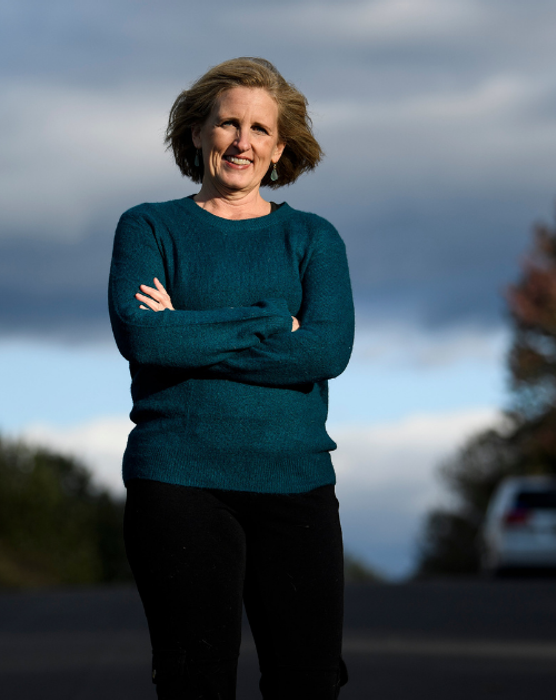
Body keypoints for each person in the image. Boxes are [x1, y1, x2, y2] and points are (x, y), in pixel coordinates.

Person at [107, 57, 354, 698]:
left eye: (259, 130)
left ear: (279, 148)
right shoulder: (149, 227)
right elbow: (142, 335)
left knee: (310, 681)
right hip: (178, 482)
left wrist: (188, 329)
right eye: (227, 124)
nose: (242, 142)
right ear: (197, 133)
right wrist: (274, 320)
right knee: (195, 681)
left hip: (296, 483)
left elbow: (327, 351)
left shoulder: (312, 238)